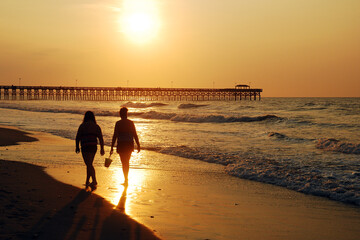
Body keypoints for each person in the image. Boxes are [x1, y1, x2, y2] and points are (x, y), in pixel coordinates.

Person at [110, 107, 140, 185]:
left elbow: (115, 135)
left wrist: (112, 147)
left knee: (124, 162)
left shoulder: (118, 123)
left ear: (120, 114)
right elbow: (135, 134)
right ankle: (126, 179)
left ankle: (126, 179)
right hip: (129, 144)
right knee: (127, 162)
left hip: (121, 144)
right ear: (126, 114)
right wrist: (138, 145)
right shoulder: (130, 123)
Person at [76, 111, 105, 188]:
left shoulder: (82, 126)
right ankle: (87, 181)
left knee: (88, 164)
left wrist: (77, 147)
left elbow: (78, 137)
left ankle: (94, 180)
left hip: (85, 145)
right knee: (89, 163)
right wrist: (102, 148)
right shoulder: (96, 126)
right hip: (93, 146)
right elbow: (101, 138)